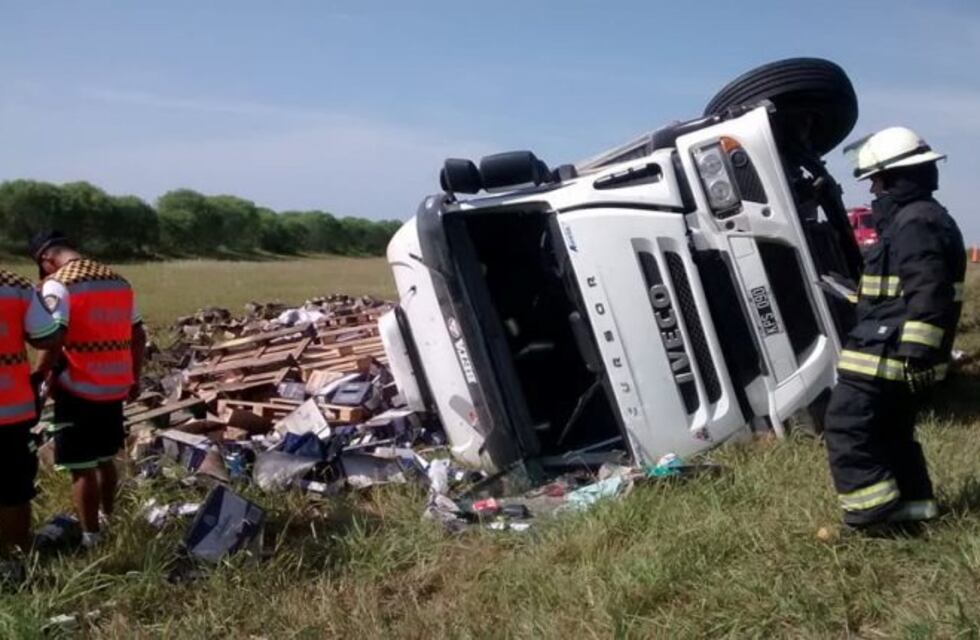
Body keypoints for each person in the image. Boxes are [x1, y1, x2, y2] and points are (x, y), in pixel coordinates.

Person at [825, 127, 965, 530]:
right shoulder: (918, 218)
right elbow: (902, 290)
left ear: (894, 176)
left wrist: (917, 353)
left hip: (890, 352)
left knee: (846, 424)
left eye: (875, 179)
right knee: (891, 432)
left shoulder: (915, 222)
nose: (872, 189)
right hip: (891, 345)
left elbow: (930, 291)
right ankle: (911, 510)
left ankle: (870, 515)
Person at [29, 231, 146, 549]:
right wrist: (133, 376)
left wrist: (39, 377)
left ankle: (91, 538)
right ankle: (108, 518)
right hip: (114, 386)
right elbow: (138, 336)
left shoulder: (60, 284)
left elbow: (53, 339)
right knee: (106, 458)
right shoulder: (117, 281)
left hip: (77, 388)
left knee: (81, 468)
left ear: (47, 259)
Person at [0, 270, 62, 557]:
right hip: (9, 409)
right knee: (13, 488)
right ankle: (16, 558)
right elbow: (47, 338)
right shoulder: (16, 286)